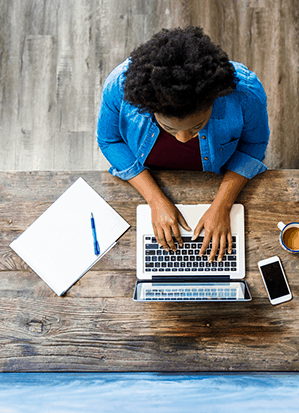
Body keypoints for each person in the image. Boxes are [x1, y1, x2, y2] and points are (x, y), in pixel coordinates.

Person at [96, 26, 269, 263]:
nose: (184, 139)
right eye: (169, 129)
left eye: (197, 126)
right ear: (148, 108)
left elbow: (254, 144)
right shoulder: (119, 87)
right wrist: (155, 200)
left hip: (219, 175)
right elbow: (109, 140)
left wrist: (223, 205)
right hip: (151, 176)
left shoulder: (245, 92)